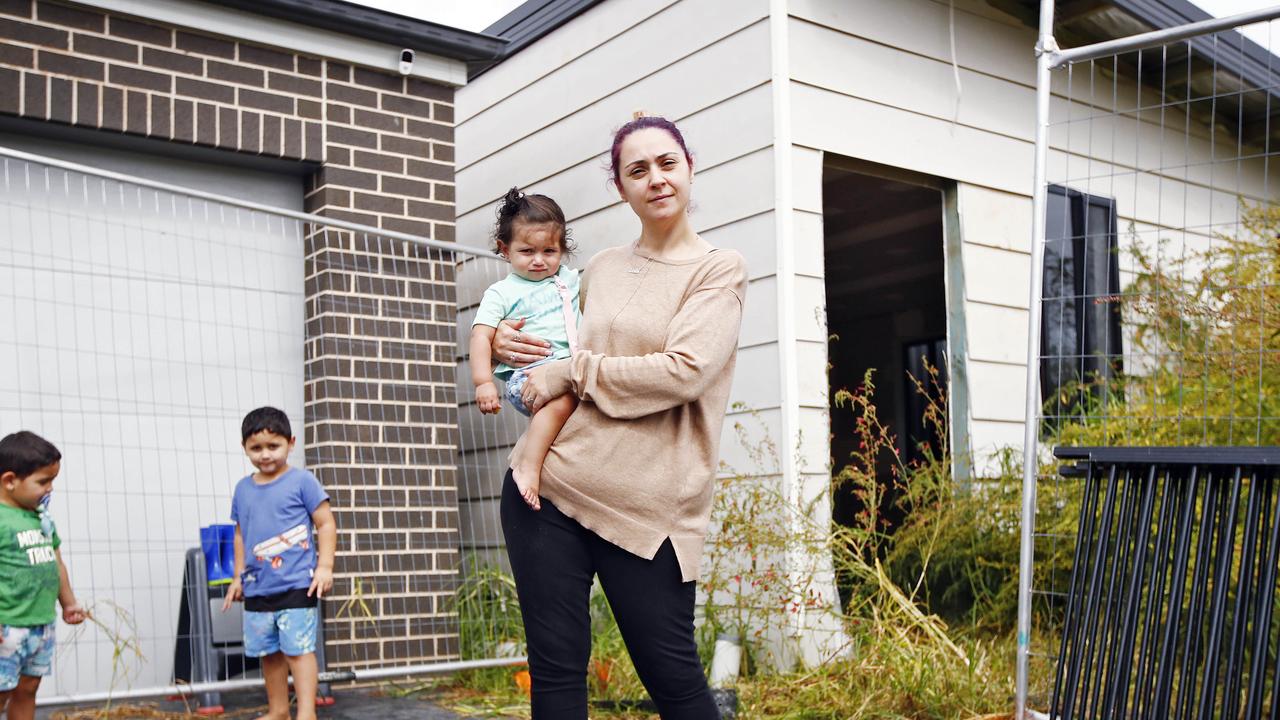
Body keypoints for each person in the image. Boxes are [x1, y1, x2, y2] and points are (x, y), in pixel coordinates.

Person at [493, 115, 747, 718]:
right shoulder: (600, 268)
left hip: (649, 513)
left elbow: (683, 372)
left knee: (676, 683)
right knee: (556, 676)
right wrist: (504, 338)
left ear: (688, 168)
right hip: (550, 494)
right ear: (621, 186)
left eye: (666, 163)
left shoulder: (719, 269)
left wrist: (571, 372)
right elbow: (557, 341)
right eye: (638, 170)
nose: (655, 179)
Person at [469, 187, 580, 511]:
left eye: (549, 251)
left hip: (569, 370)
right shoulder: (502, 292)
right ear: (505, 250)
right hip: (527, 376)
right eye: (527, 251)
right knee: (562, 401)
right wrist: (483, 382)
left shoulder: (568, 281)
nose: (538, 260)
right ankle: (529, 466)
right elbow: (480, 337)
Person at [221, 407, 336, 720]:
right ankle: (279, 710)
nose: (265, 454)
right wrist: (237, 577)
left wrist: (324, 567)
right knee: (269, 654)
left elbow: (325, 524)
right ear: (244, 447)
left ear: (291, 442)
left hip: (298, 583)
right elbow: (241, 535)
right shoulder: (243, 489)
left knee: (298, 651)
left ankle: (307, 713)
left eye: (274, 446)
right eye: (256, 448)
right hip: (258, 586)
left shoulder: (302, 482)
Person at [0, 431, 85, 720]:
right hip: (7, 627)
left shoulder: (41, 518)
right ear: (10, 481)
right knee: (1, 691)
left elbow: (56, 562)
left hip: (41, 624)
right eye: (43, 481)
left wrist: (69, 603)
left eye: (52, 481)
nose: (50, 489)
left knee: (28, 688)